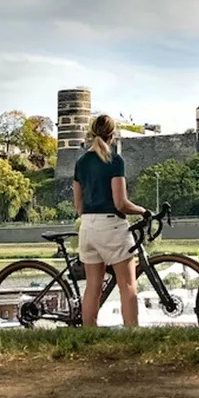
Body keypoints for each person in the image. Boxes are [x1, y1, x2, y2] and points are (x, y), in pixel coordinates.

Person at [72, 114, 150, 327]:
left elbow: (78, 205)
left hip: (87, 226)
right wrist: (143, 211)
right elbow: (120, 203)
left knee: (93, 286)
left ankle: (89, 334)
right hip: (111, 226)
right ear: (112, 135)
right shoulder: (114, 161)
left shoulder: (80, 162)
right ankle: (132, 333)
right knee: (127, 285)